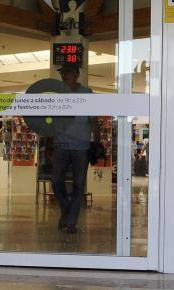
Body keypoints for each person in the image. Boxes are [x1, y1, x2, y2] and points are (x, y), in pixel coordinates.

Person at [51, 63, 100, 234]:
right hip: (61, 144)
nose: (64, 76)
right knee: (56, 181)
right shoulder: (58, 94)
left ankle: (71, 221)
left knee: (79, 184)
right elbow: (53, 120)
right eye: (62, 73)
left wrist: (97, 141)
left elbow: (93, 120)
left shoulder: (87, 93)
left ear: (76, 74)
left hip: (81, 145)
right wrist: (51, 142)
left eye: (67, 73)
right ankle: (66, 210)